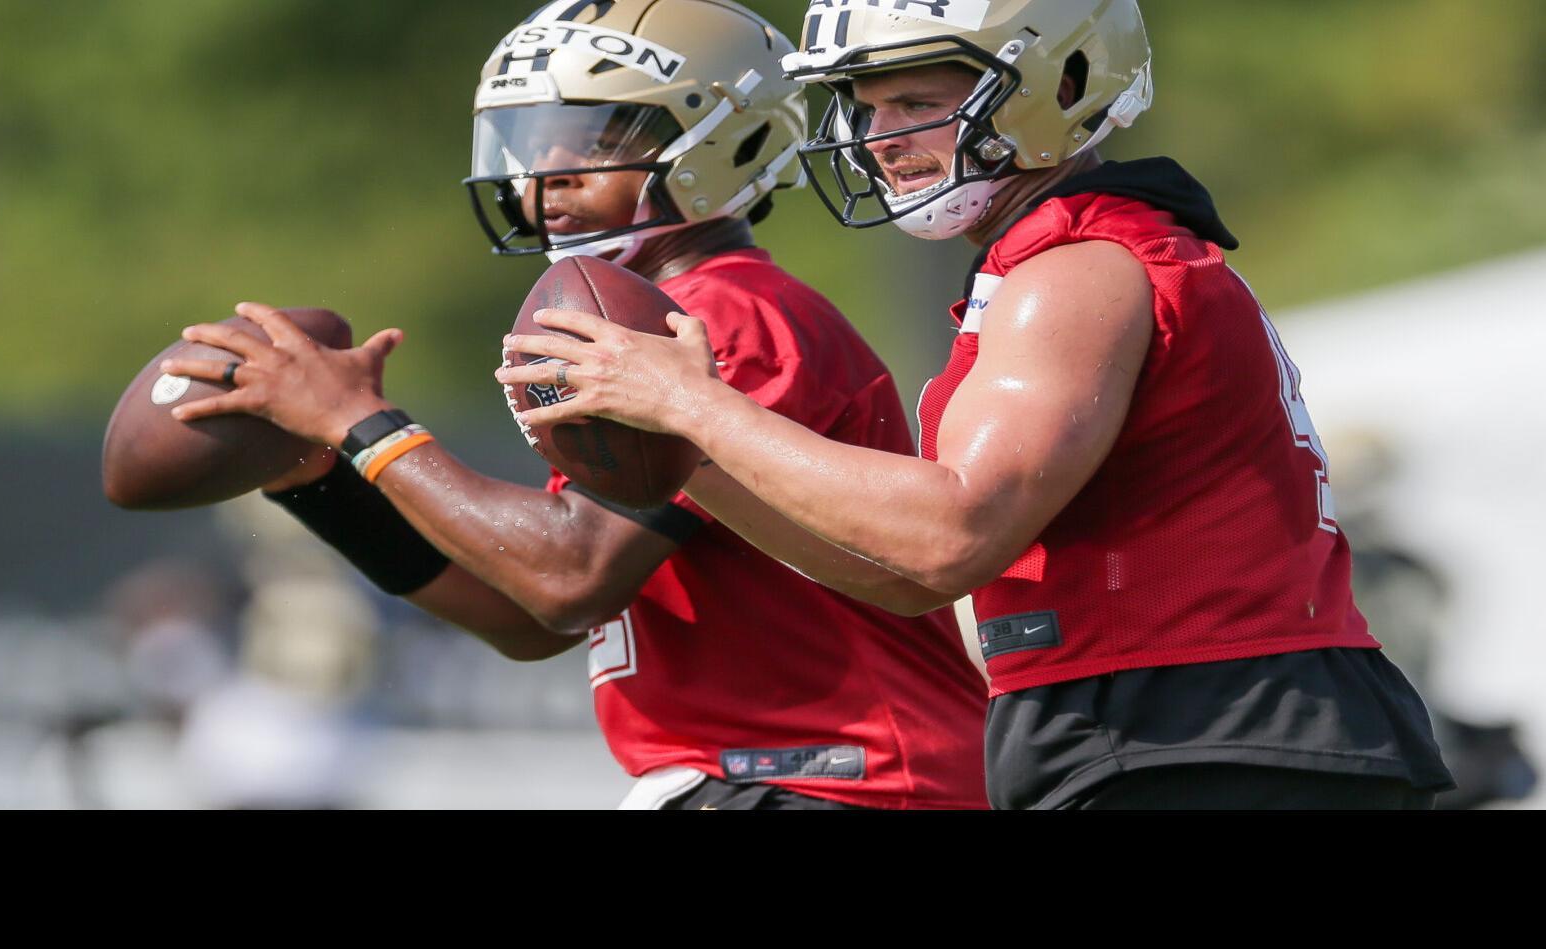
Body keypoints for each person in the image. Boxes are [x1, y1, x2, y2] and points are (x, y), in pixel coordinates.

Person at [497, 0, 1454, 808]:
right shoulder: (1049, 265)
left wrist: (698, 408)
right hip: (1162, 727)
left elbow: (951, 532)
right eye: (865, 108)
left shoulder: (1074, 268)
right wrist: (688, 447)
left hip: (1207, 730)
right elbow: (907, 579)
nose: (880, 140)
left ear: (1062, 85)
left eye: (914, 101)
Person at [159, 0, 987, 810]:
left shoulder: (722, 315)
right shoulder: (633, 324)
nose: (543, 170)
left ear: (727, 142)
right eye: (527, 141)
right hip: (766, 771)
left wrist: (356, 422)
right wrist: (318, 478)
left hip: (843, 774)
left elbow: (568, 577)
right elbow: (527, 617)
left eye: (592, 137)